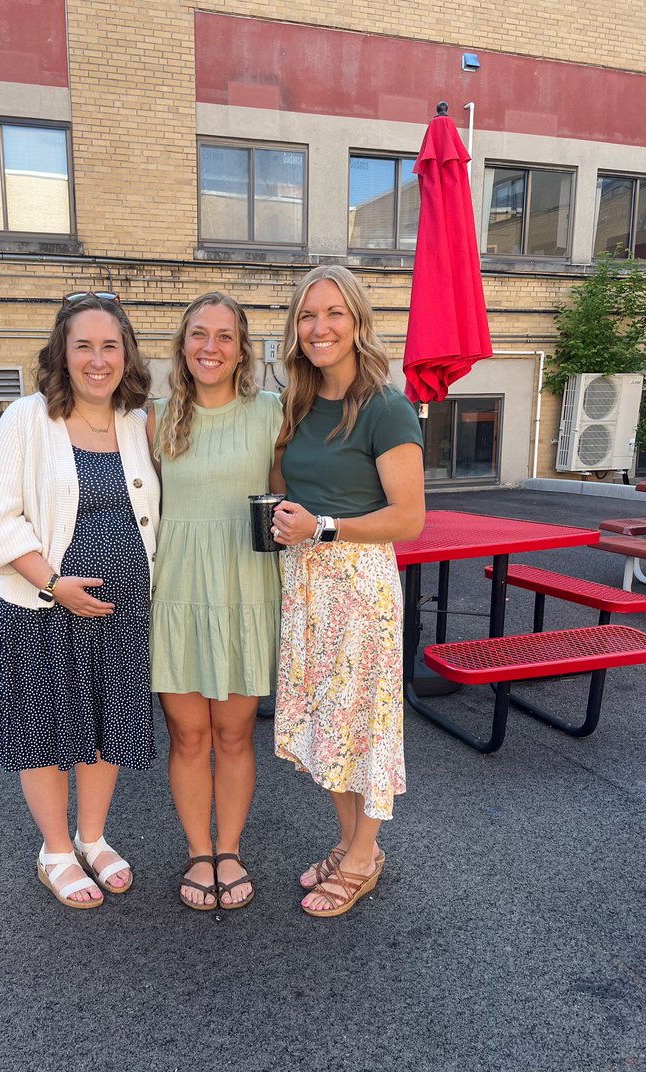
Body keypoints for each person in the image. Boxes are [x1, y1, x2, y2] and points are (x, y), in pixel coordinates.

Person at [0, 292, 160, 910]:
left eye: (111, 346)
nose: (98, 359)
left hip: (123, 612)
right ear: (62, 352)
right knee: (48, 732)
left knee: (106, 728)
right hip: (42, 609)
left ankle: (94, 835)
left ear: (126, 354)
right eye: (84, 345)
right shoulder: (26, 419)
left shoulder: (137, 421)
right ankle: (56, 849)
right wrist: (55, 585)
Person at [269, 265, 425, 918]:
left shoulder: (384, 405)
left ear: (357, 322)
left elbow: (410, 517)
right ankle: (350, 840)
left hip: (358, 588)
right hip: (306, 585)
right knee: (325, 727)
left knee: (361, 724)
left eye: (333, 313)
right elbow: (287, 483)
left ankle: (364, 855)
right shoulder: (299, 404)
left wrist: (323, 526)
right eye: (308, 315)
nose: (319, 326)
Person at [147, 292, 282, 910]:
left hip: (242, 590)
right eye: (199, 334)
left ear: (242, 348)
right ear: (183, 345)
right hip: (175, 591)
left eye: (224, 336)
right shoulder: (155, 416)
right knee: (187, 735)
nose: (210, 347)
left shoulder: (272, 415)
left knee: (232, 736)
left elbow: (288, 498)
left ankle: (229, 849)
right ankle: (198, 852)